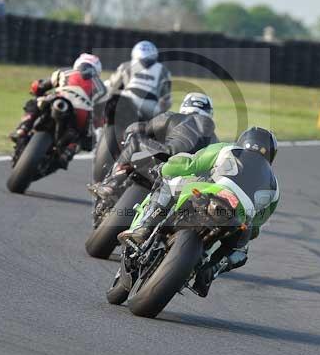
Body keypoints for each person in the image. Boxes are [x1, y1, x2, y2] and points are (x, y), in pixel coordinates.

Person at [118, 127, 280, 297]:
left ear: (243, 140)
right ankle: (208, 273)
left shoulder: (228, 150)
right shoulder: (275, 186)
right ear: (271, 154)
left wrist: (165, 168)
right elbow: (256, 226)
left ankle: (143, 227)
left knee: (169, 183)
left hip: (206, 193)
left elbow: (191, 164)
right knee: (240, 252)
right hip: (237, 220)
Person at [88, 92, 217, 204]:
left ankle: (111, 182)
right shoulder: (213, 136)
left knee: (136, 139)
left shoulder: (175, 117)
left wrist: (129, 131)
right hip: (189, 171)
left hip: (167, 155)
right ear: (209, 113)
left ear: (185, 106)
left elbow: (143, 128)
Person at [9, 53, 108, 168]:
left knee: (35, 102)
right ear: (97, 70)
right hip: (81, 114)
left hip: (58, 100)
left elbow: (39, 86)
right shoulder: (101, 88)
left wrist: (35, 89)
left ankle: (22, 129)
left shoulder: (65, 72)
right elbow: (101, 117)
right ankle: (69, 151)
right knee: (87, 138)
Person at [106, 40, 172, 120]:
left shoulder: (127, 65)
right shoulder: (164, 70)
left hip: (129, 100)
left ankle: (101, 127)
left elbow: (112, 85)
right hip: (151, 107)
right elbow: (166, 100)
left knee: (107, 90)